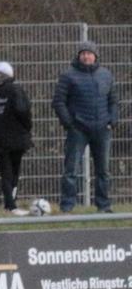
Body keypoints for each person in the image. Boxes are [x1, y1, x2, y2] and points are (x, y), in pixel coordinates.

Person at [52, 41, 118, 213]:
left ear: (95, 56)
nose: (86, 56)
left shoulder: (106, 75)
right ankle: (67, 206)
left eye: (89, 53)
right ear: (78, 56)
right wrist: (69, 123)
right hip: (78, 130)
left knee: (103, 171)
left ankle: (104, 206)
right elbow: (58, 102)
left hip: (102, 129)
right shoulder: (68, 75)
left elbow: (113, 101)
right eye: (83, 53)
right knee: (71, 170)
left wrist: (112, 120)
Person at [0, 61, 33, 215]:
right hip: (17, 137)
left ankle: (9, 204)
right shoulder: (15, 90)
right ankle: (11, 204)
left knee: (5, 172)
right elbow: (23, 111)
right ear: (10, 74)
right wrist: (27, 128)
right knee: (15, 171)